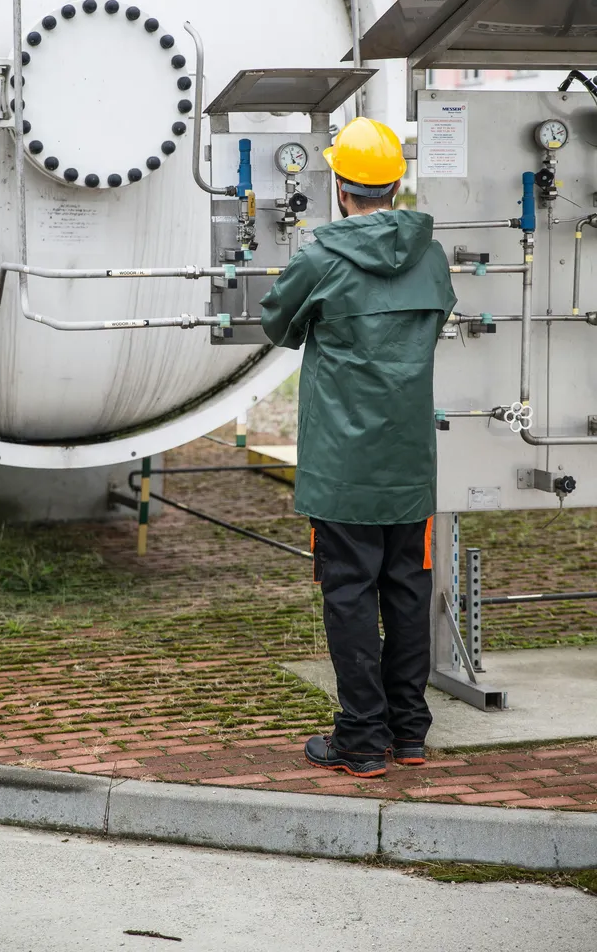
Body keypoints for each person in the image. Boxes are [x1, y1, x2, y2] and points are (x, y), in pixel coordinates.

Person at [260, 117, 457, 779]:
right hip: (408, 462)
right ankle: (408, 733)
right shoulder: (430, 255)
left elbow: (275, 323)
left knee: (349, 594)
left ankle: (361, 739)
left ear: (340, 188)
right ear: (395, 186)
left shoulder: (321, 256)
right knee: (407, 589)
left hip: (344, 465)